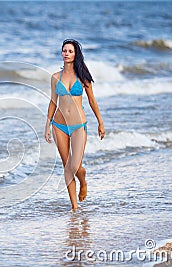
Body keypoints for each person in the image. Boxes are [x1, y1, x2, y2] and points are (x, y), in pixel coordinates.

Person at [44, 39, 105, 211]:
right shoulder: (56, 77)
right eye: (64, 50)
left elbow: (92, 101)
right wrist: (47, 125)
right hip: (59, 125)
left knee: (75, 166)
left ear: (75, 54)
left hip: (79, 126)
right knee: (66, 166)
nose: (66, 53)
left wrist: (100, 122)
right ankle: (74, 207)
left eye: (70, 51)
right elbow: (53, 102)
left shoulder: (83, 77)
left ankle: (83, 180)